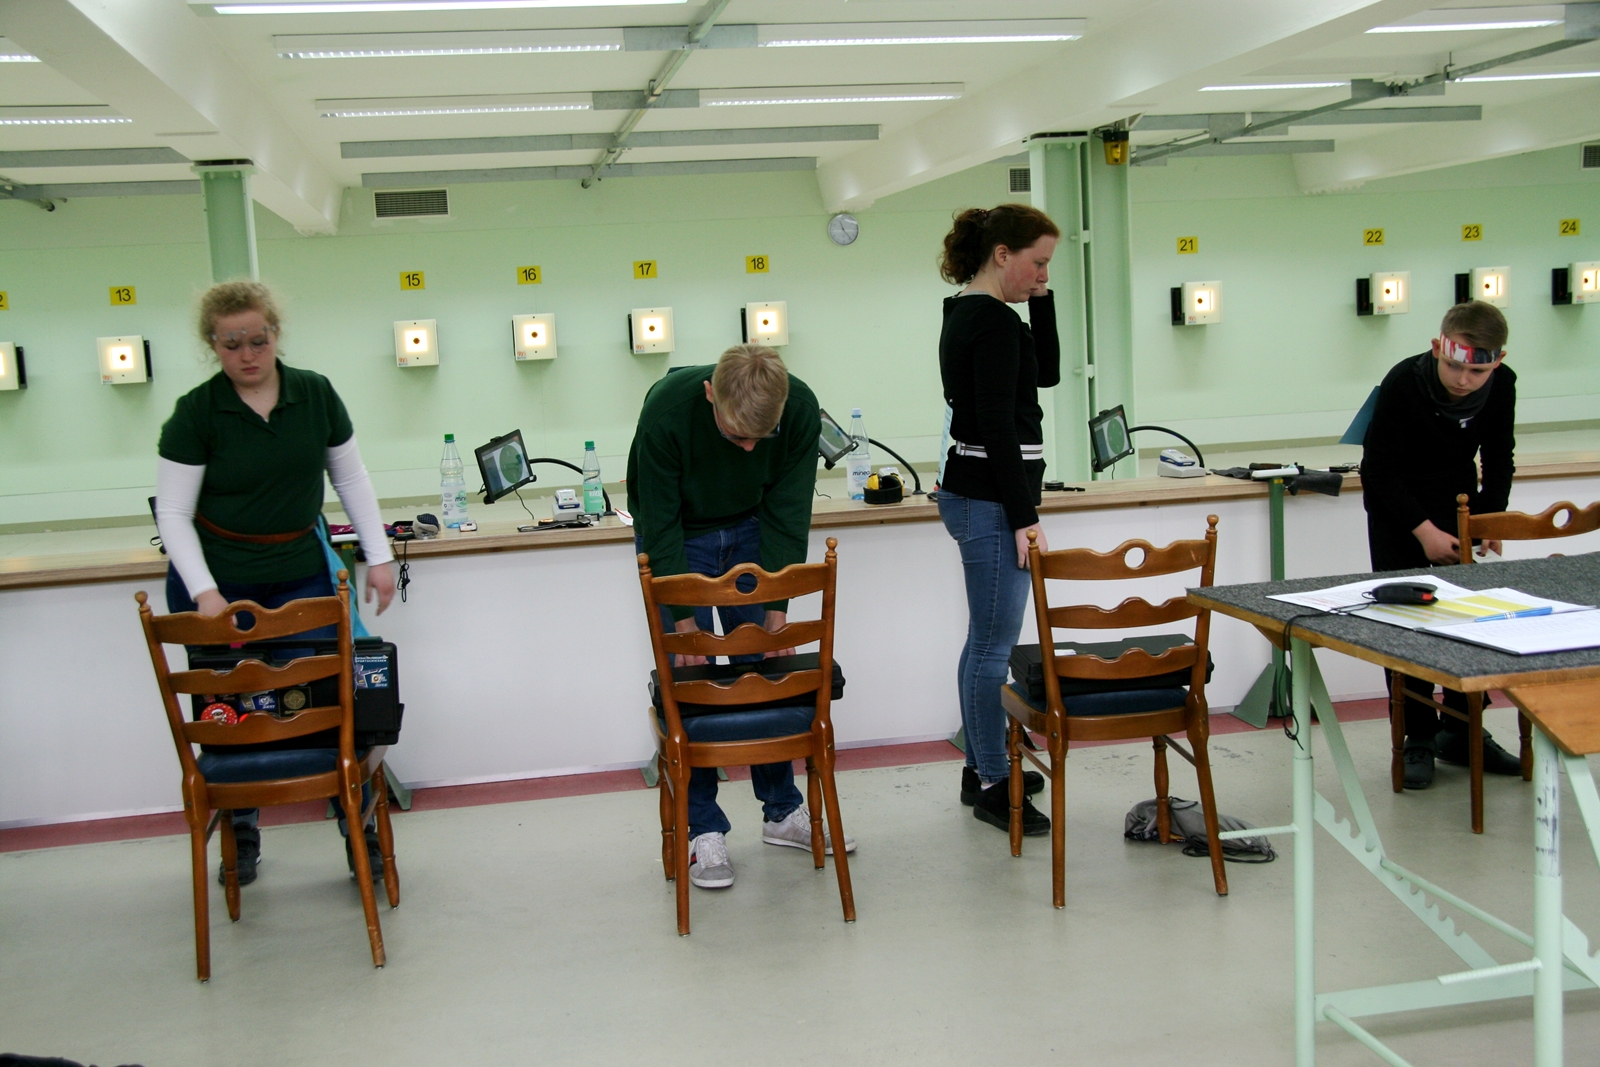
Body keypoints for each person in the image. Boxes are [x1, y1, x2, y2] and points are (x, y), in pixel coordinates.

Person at [154, 280, 396, 884]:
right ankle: (241, 832)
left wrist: (379, 555)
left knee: (332, 704)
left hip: (301, 574)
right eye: (231, 343)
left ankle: (356, 827)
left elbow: (351, 478)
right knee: (232, 710)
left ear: (275, 335)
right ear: (212, 345)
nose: (247, 354)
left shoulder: (314, 394)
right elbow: (174, 513)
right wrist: (207, 594)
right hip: (217, 584)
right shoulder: (196, 412)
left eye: (257, 340)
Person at [627, 344, 853, 890]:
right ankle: (704, 830)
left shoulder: (799, 408)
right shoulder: (666, 413)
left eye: (762, 436)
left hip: (754, 527)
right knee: (691, 681)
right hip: (680, 534)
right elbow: (656, 521)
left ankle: (782, 812)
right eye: (736, 435)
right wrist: (684, 620)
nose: (750, 447)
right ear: (710, 394)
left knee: (765, 671)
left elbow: (789, 509)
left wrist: (777, 610)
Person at [936, 204, 1061, 834]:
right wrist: (1024, 516)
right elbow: (995, 427)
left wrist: (1042, 299)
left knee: (982, 642)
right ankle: (992, 781)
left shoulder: (975, 313)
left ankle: (979, 765)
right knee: (993, 648)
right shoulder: (989, 321)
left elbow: (1050, 374)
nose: (1043, 275)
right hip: (990, 498)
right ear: (1002, 254)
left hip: (980, 492)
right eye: (1037, 264)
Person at [1362, 299, 1519, 789]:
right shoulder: (1404, 382)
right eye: (1454, 366)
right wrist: (1424, 531)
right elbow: (1377, 470)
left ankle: (1462, 729)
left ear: (1498, 361)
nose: (1464, 380)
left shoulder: (1503, 385)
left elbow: (1499, 456)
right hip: (1400, 512)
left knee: (1464, 624)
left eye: (1478, 371)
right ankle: (1418, 737)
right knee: (1406, 627)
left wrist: (1490, 520)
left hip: (1459, 503)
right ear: (1437, 348)